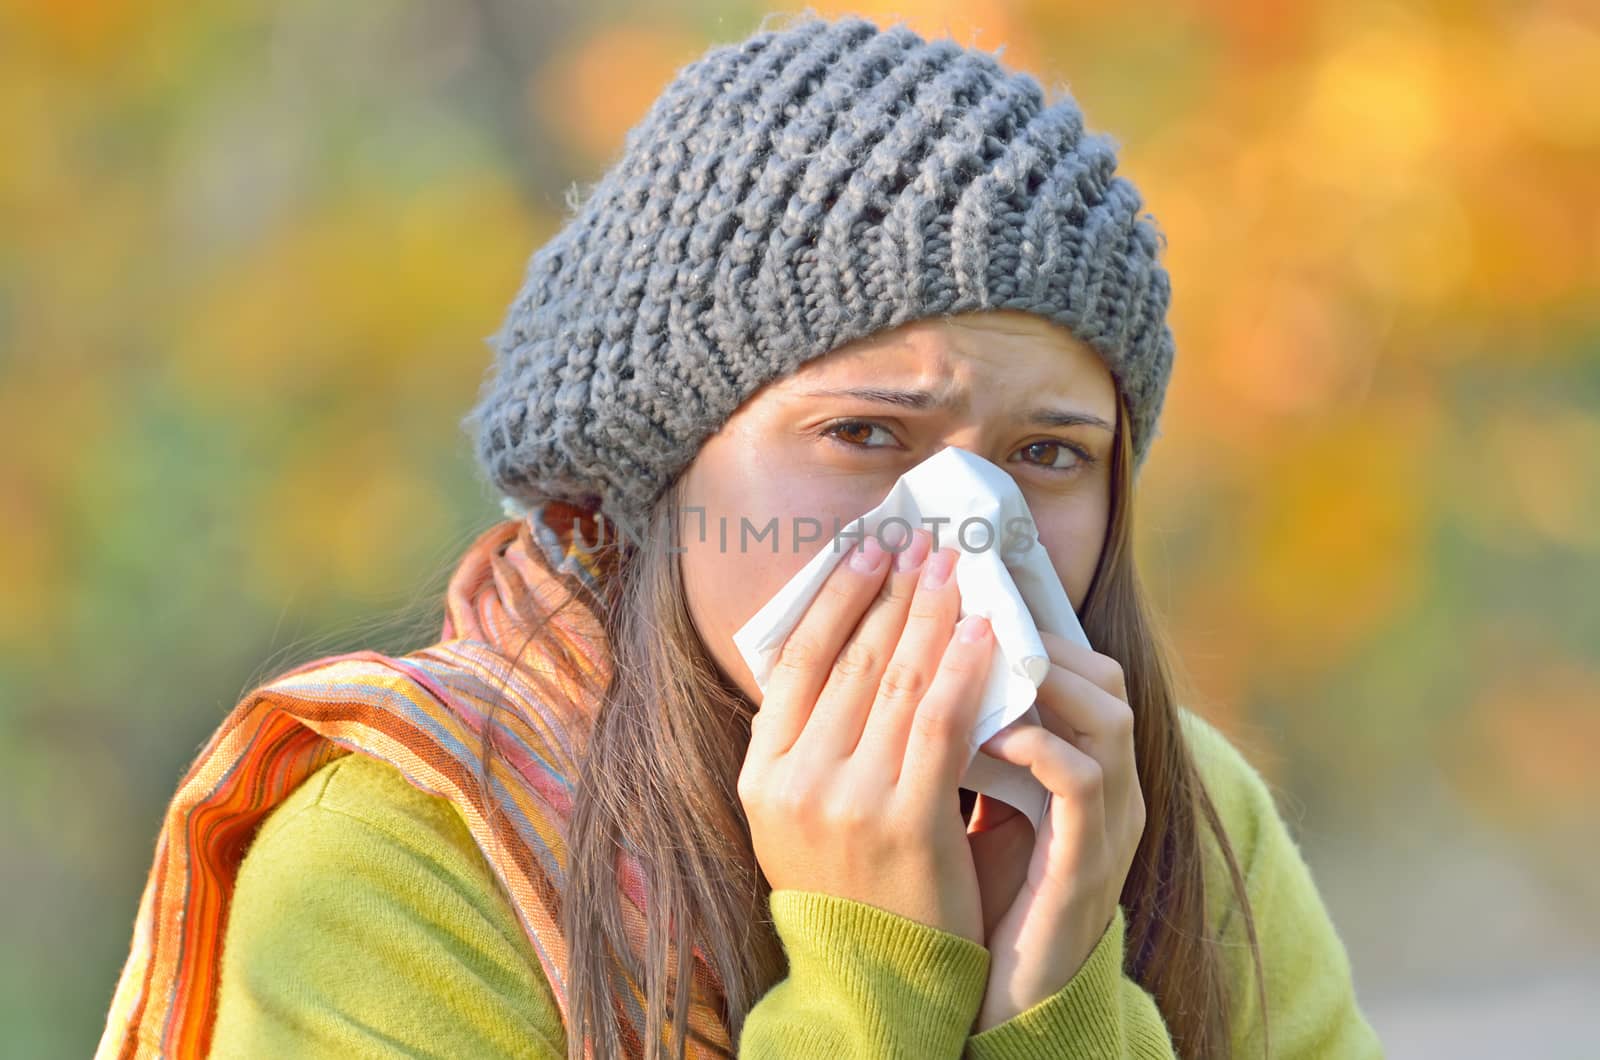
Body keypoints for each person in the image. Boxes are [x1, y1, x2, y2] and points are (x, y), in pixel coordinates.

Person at [97, 13, 1385, 1060]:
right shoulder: (400, 861)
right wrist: (873, 977)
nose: (967, 529)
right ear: (660, 474)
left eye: (1048, 454)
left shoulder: (1179, 809)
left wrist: (1064, 1000)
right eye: (867, 434)